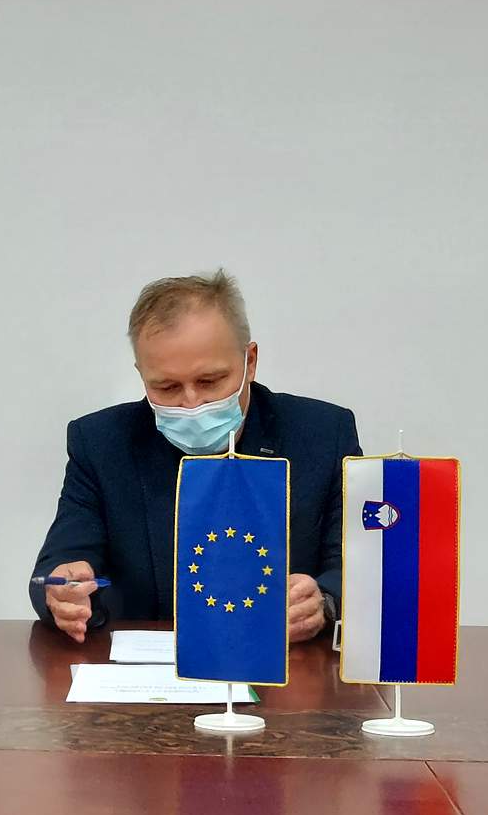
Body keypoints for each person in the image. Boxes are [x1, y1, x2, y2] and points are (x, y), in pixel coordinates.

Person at [30, 269, 360, 643]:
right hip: (149, 667)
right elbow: (56, 568)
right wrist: (62, 593)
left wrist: (322, 603)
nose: (191, 403)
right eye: (166, 387)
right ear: (142, 375)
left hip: (284, 662)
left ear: (250, 362)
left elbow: (357, 569)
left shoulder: (323, 434)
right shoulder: (100, 443)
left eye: (209, 381)